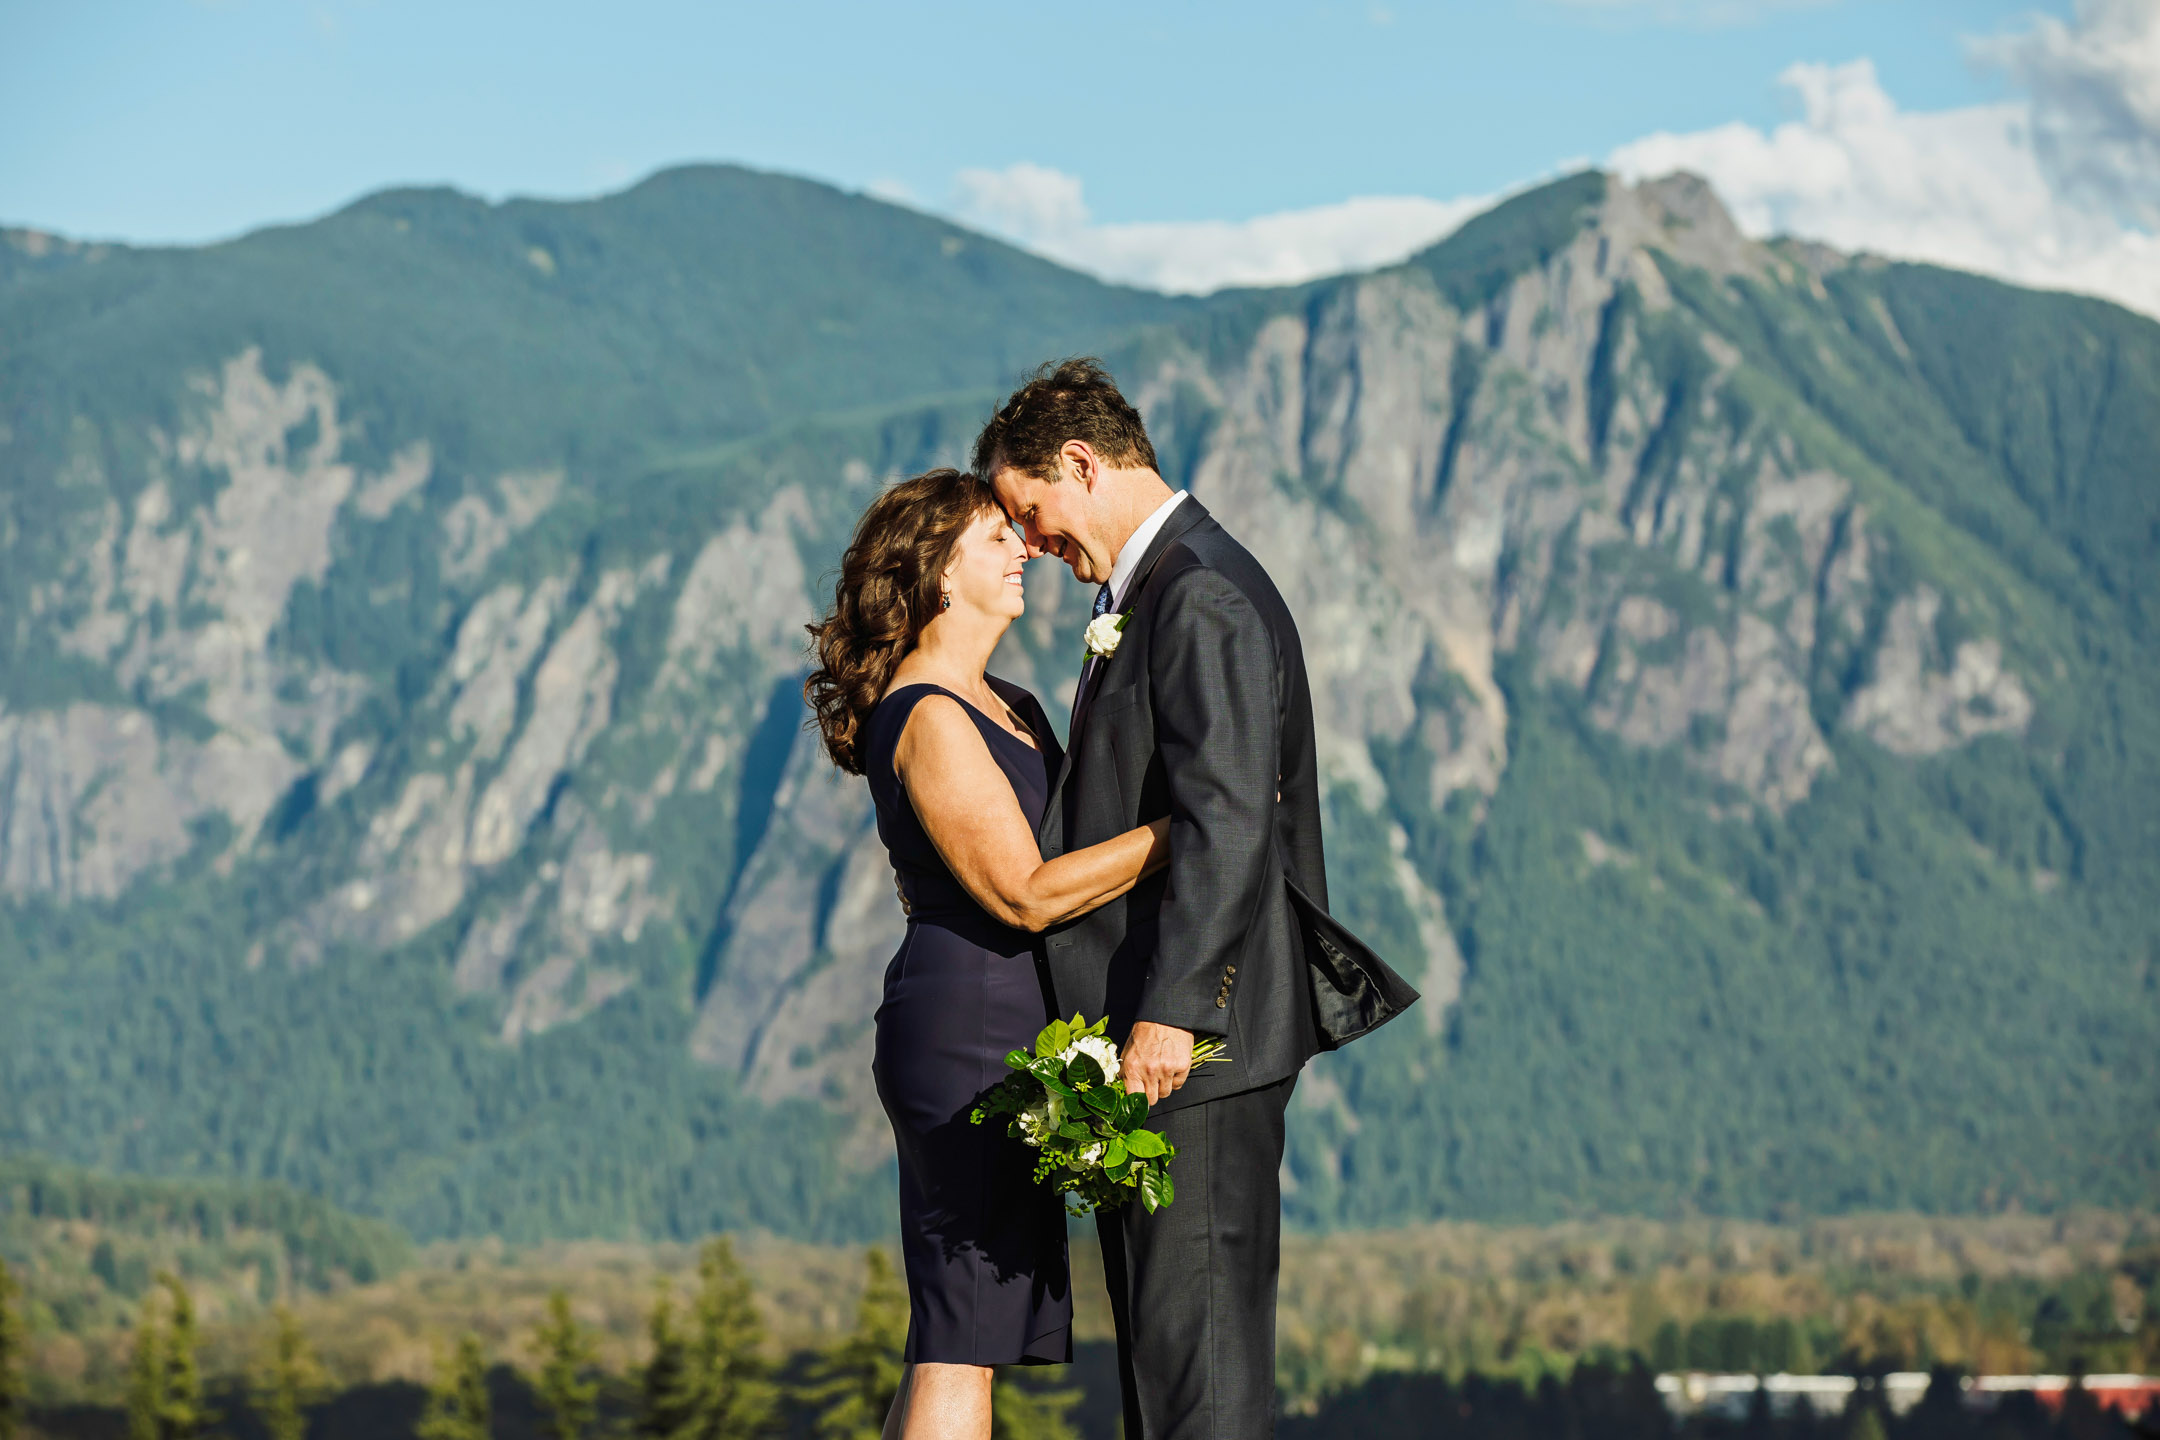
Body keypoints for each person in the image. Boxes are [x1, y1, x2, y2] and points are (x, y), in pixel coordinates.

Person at [975, 358, 1331, 1440]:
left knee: (1202, 1385)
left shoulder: (1200, 594)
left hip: (1196, 1056)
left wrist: (1173, 1010)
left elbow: (1230, 818)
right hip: (1160, 1056)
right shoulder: (1156, 590)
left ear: (1080, 465)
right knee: (1165, 1380)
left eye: (1030, 514)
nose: (1031, 544)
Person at [804, 467, 1172, 1440]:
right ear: (936, 575)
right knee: (962, 1336)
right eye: (993, 538)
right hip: (968, 1036)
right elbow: (1025, 891)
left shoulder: (1004, 700)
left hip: (1009, 1029)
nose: (1023, 549)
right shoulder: (929, 715)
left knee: (961, 1330)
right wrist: (1187, 833)